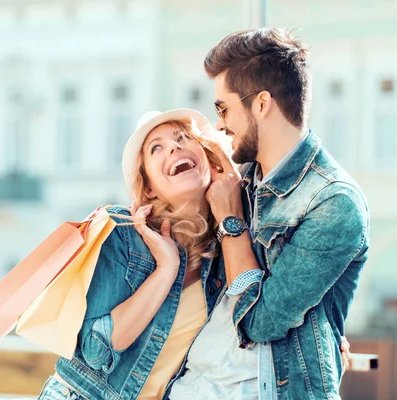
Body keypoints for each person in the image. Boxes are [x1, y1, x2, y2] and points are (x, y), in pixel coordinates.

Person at [167, 28, 369, 399]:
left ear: (261, 104)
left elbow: (260, 322)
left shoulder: (333, 203)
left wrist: (231, 223)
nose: (220, 124)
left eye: (223, 108)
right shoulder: (238, 182)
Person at [37, 108, 238, 400]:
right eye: (157, 148)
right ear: (150, 188)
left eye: (183, 138)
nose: (174, 146)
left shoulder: (222, 253)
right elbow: (96, 352)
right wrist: (166, 268)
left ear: (209, 159)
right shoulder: (122, 231)